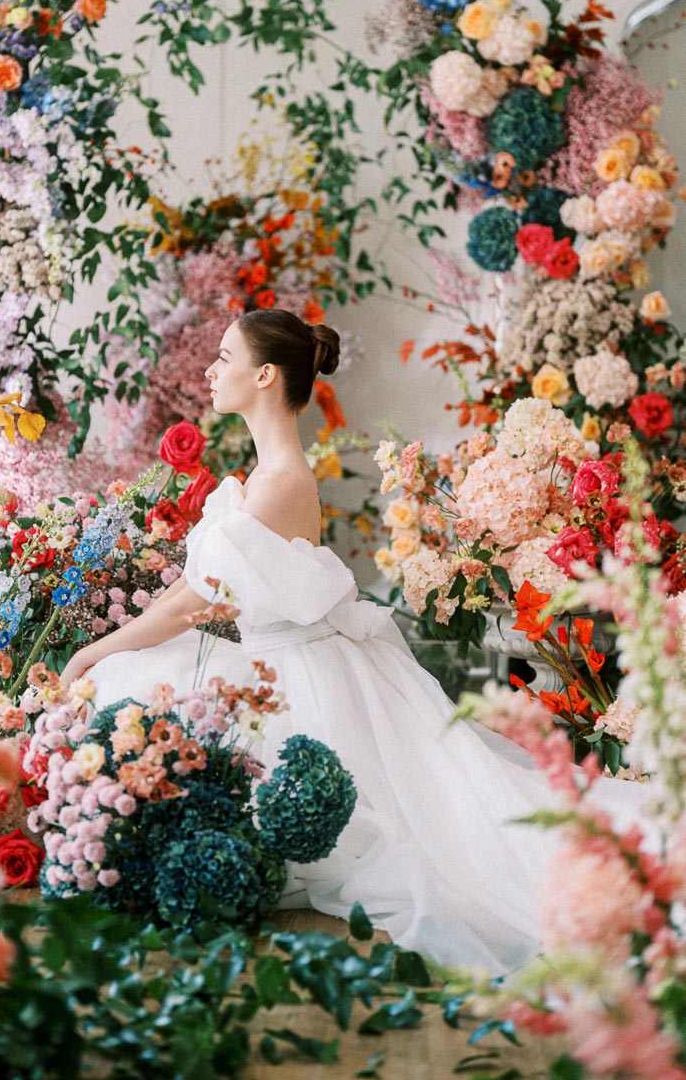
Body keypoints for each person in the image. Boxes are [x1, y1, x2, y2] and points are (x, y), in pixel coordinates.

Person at [60, 308, 650, 975]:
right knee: (133, 682)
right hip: (273, 656)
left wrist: (91, 653)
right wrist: (114, 648)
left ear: (262, 373)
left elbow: (192, 604)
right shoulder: (259, 481)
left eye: (223, 357)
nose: (209, 368)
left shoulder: (280, 485)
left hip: (294, 670)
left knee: (123, 682)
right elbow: (191, 592)